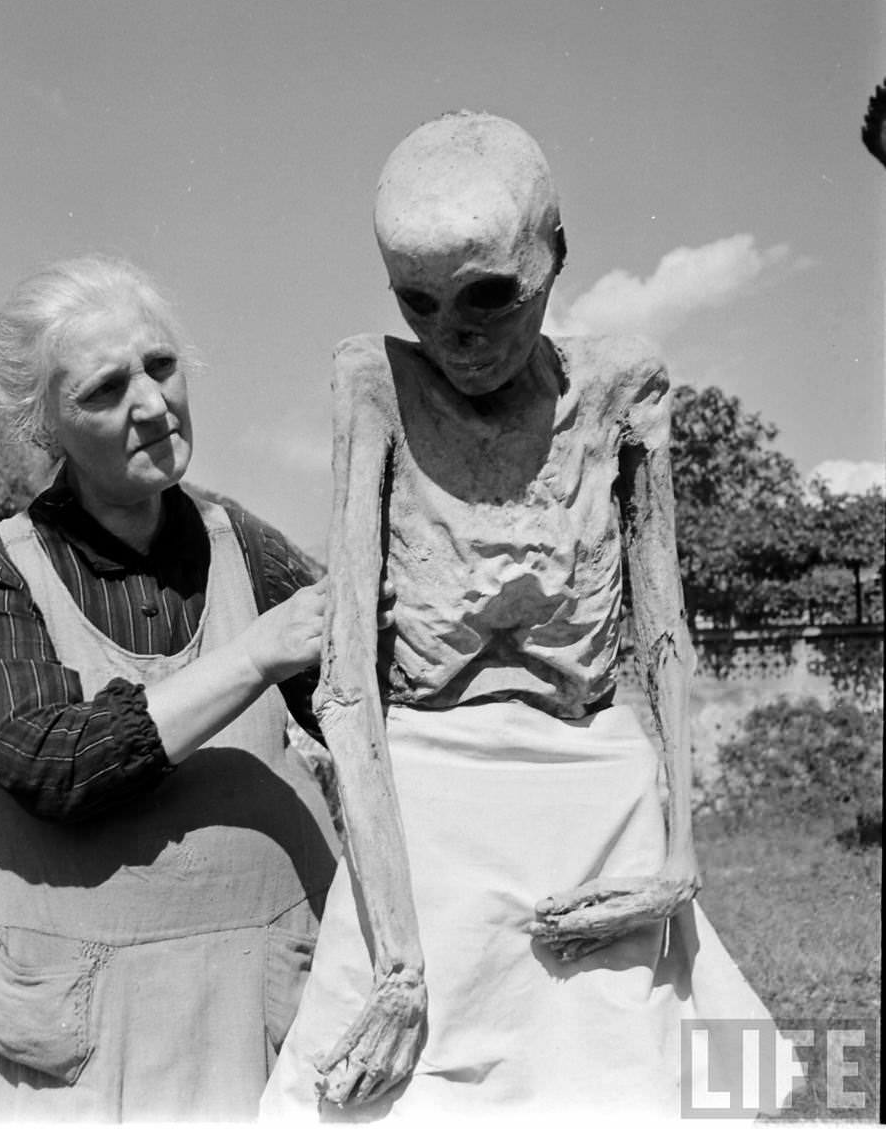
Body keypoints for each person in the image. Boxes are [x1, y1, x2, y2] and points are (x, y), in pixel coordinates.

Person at [261, 112, 797, 1119]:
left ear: (554, 257)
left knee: (621, 1087)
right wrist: (399, 969)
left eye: (487, 295)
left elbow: (662, 631)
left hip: (595, 806)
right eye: (417, 301)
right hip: (422, 828)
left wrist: (676, 866)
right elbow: (347, 679)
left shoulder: (621, 386)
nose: (454, 335)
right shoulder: (374, 383)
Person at [0, 255, 342, 1123]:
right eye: (105, 390)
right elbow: (56, 766)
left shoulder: (242, 547)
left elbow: (368, 708)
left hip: (258, 1015)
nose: (150, 403)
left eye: (161, 366)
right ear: (47, 430)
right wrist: (256, 655)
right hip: (72, 1043)